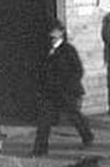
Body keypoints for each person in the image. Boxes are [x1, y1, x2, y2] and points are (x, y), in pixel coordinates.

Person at [33, 20, 94, 156]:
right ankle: (40, 150)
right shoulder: (46, 51)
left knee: (74, 116)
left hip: (67, 92)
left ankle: (87, 136)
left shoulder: (68, 50)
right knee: (44, 121)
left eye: (54, 35)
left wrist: (67, 85)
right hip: (49, 92)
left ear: (61, 34)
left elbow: (78, 71)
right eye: (50, 36)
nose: (51, 38)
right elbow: (42, 70)